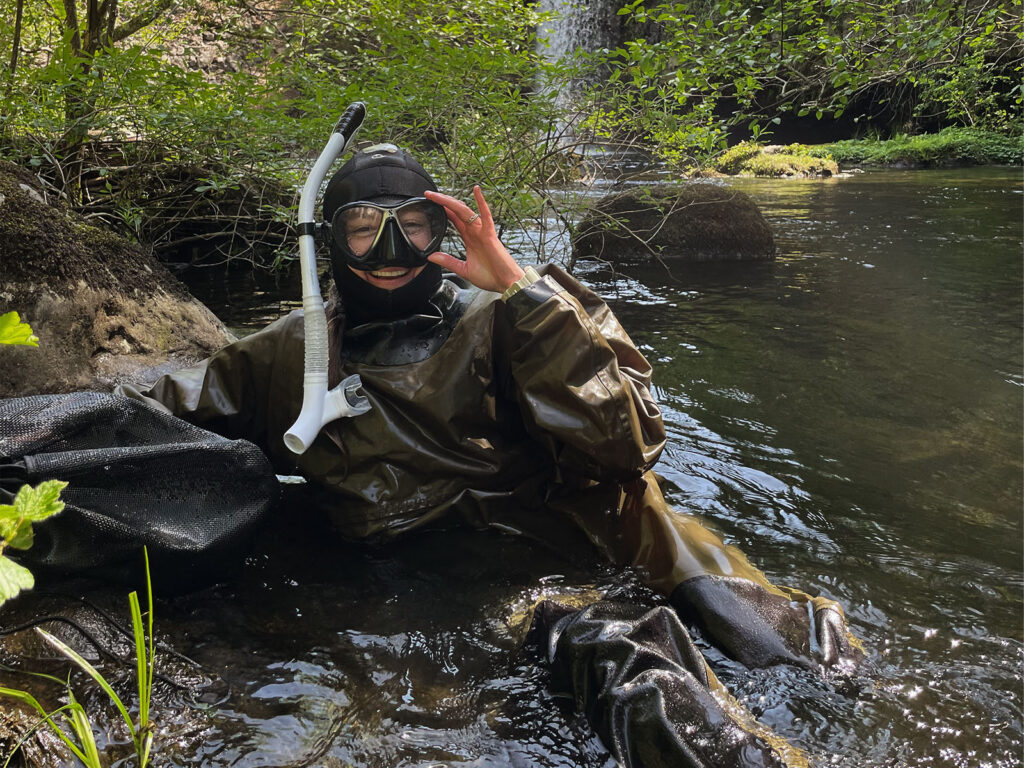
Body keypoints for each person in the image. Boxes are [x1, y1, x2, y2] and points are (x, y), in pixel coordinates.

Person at [114, 143, 860, 764]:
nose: (392, 252)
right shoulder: (292, 354)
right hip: (458, 590)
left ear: (446, 229)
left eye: (413, 225)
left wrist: (520, 290)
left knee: (770, 652)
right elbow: (163, 412)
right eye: (365, 230)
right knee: (613, 657)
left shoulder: (520, 313)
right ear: (327, 242)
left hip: (583, 535)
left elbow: (626, 444)